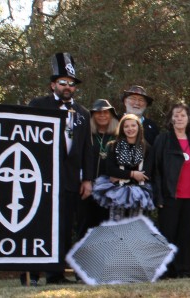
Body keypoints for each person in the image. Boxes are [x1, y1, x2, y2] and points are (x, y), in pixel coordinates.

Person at [25, 52, 90, 286]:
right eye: (63, 82)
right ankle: (31, 272)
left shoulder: (83, 113)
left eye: (71, 84)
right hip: (43, 178)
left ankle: (56, 274)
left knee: (63, 227)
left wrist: (87, 179)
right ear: (53, 84)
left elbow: (86, 150)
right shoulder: (38, 105)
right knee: (39, 224)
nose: (67, 87)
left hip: (71, 180)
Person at [151, 103, 190, 278]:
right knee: (168, 234)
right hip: (170, 196)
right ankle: (166, 270)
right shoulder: (163, 140)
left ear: (189, 119)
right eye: (176, 115)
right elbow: (156, 170)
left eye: (183, 115)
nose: (180, 118)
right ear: (171, 119)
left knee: (185, 234)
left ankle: (183, 269)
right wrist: (158, 196)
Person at [92, 113, 154, 220]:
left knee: (135, 227)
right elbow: (110, 170)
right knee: (116, 227)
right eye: (126, 126)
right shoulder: (113, 146)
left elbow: (146, 174)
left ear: (139, 127)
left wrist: (122, 175)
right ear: (122, 129)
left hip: (138, 193)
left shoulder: (146, 148)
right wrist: (133, 174)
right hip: (117, 192)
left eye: (133, 125)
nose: (130, 129)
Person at [80, 99, 118, 237]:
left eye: (105, 112)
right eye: (98, 112)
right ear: (93, 115)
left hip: (109, 190)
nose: (102, 115)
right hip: (87, 187)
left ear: (111, 115)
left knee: (106, 228)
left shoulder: (118, 137)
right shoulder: (86, 135)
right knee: (85, 226)